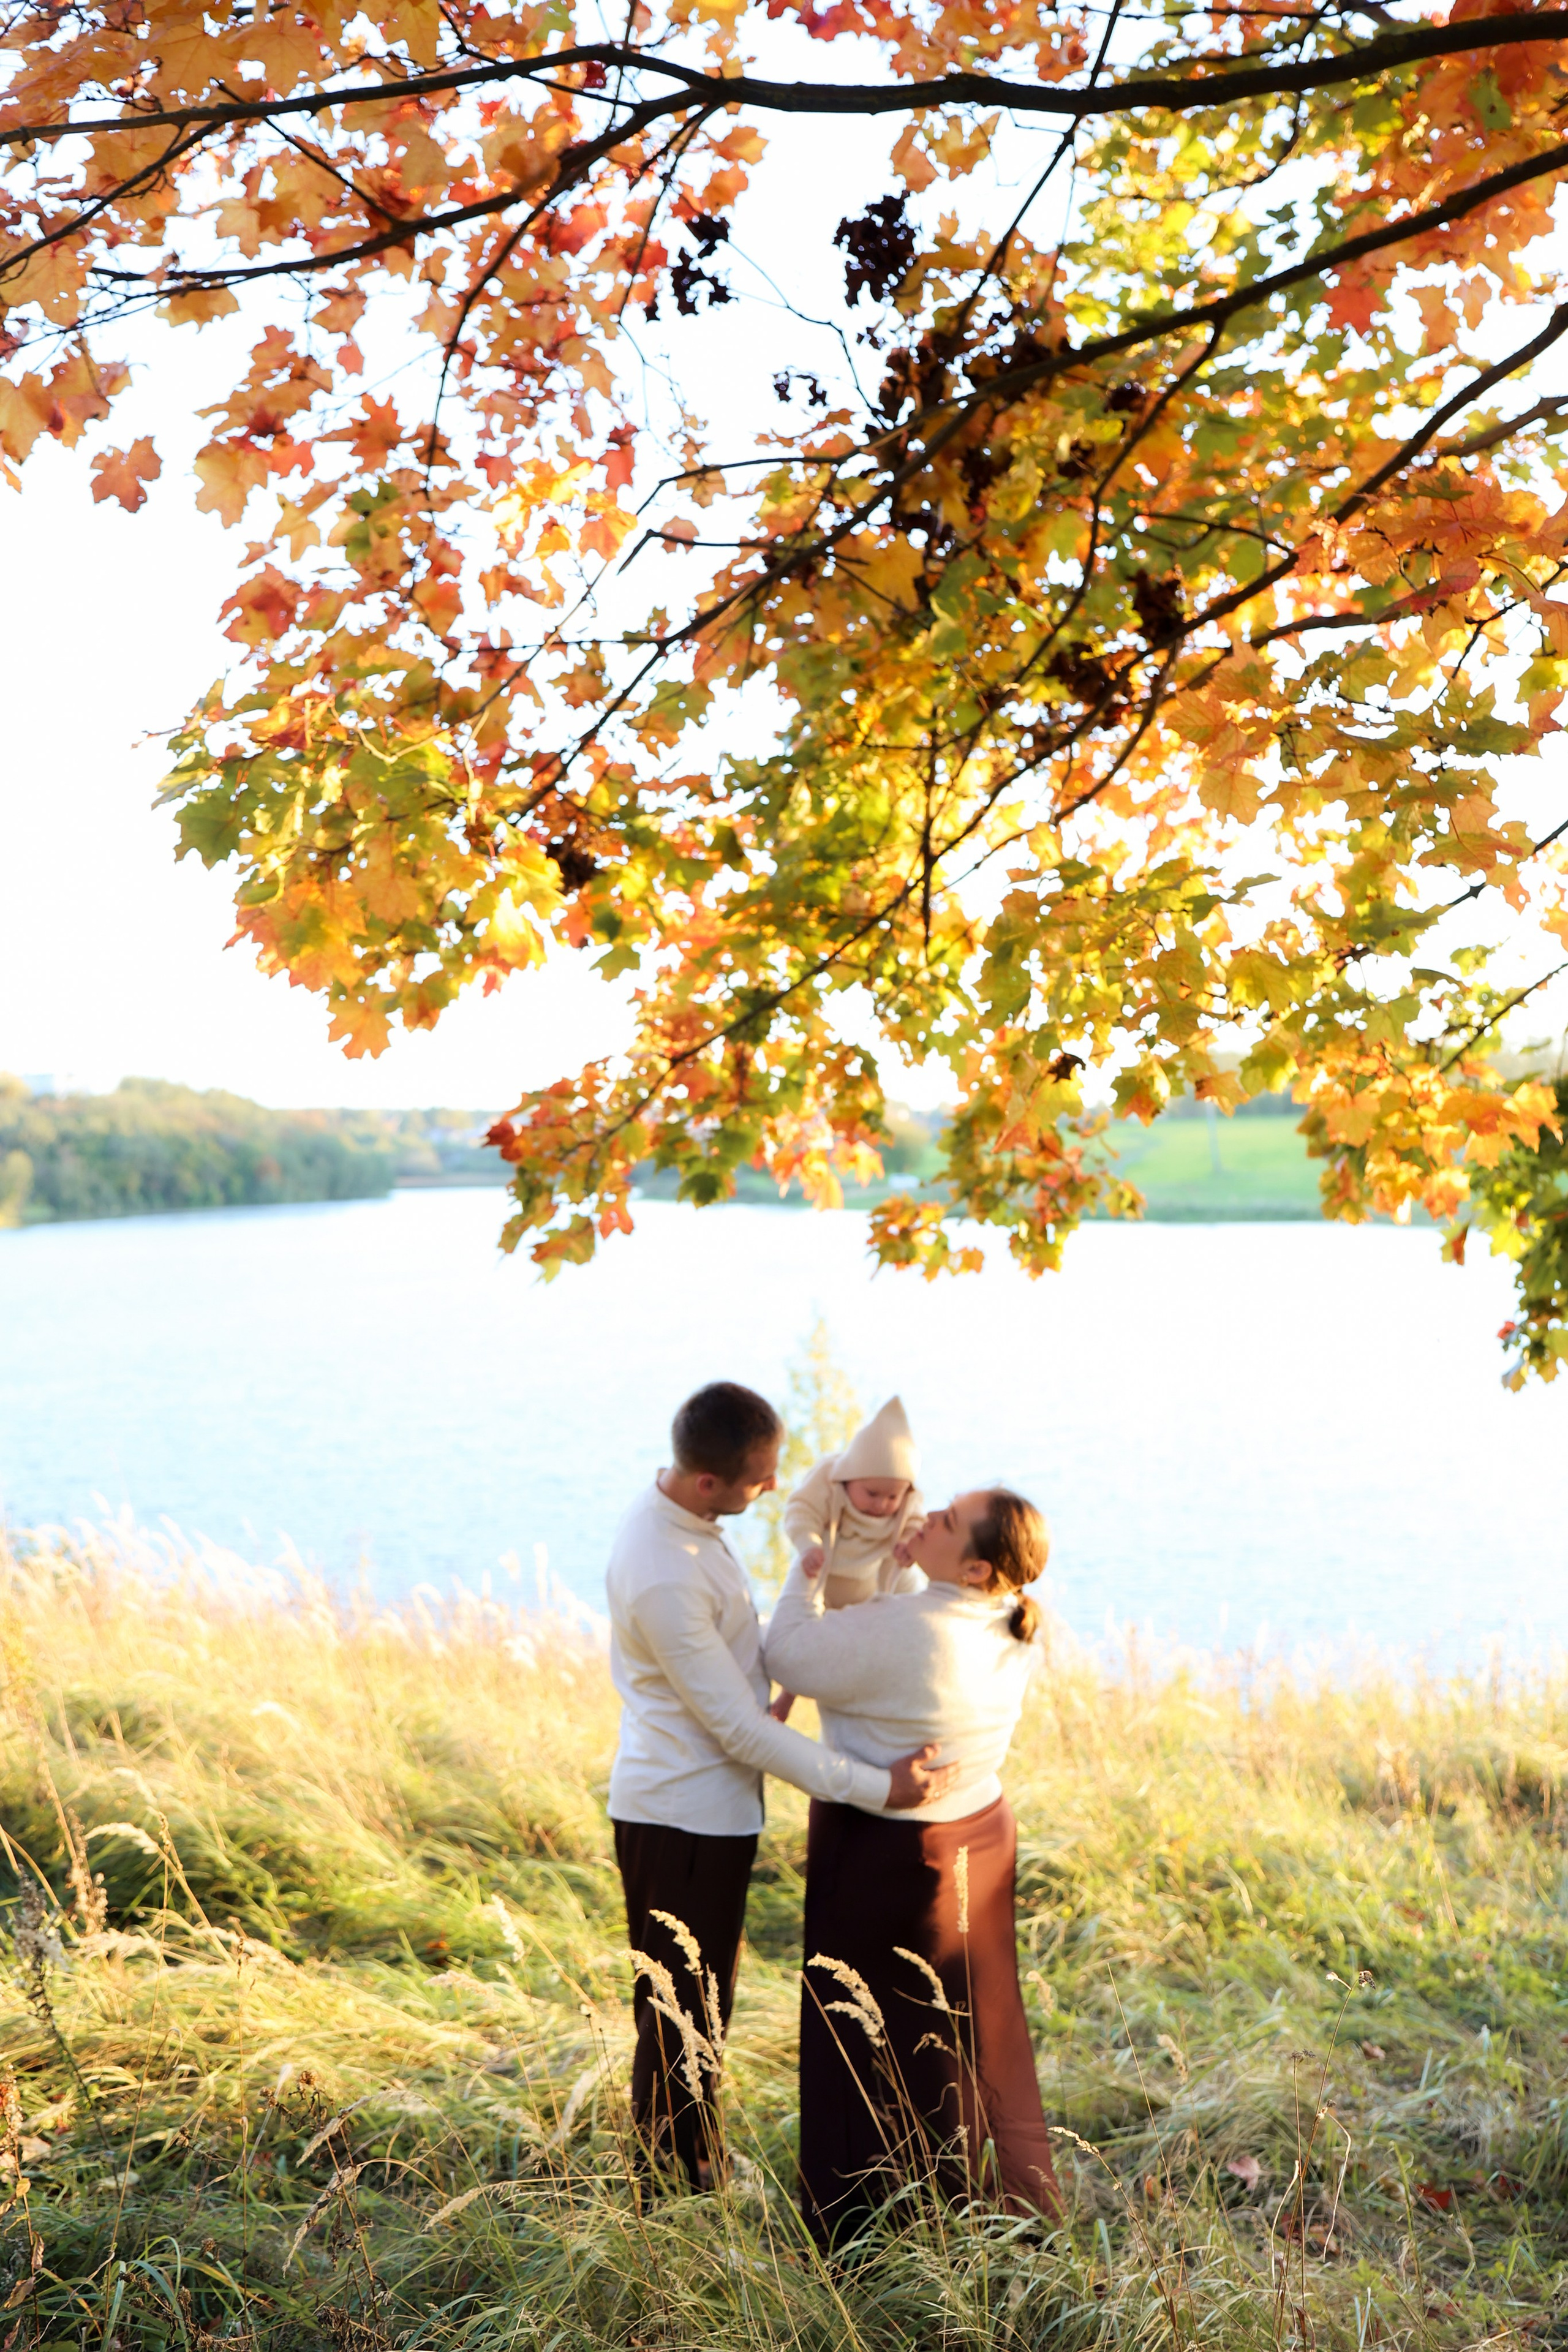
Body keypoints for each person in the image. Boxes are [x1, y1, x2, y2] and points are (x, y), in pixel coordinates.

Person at [605, 1380, 958, 2192]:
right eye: (760, 1478)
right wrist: (877, 1787)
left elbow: (729, 1659)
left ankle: (694, 2164)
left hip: (707, 1809)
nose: (773, 1488)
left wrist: (807, 1652)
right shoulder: (664, 1570)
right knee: (680, 2014)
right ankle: (673, 2187)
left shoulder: (687, 1523)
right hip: (684, 1817)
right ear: (708, 1483)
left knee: (701, 2004)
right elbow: (738, 1730)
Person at [761, 1487, 1062, 2245]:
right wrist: (902, 1572)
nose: (924, 1517)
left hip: (889, 1848)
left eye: (946, 1522)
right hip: (981, 1834)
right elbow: (893, 1656)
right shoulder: (1014, 1618)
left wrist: (809, 1570)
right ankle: (999, 2205)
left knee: (866, 2031)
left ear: (975, 1568)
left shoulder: (916, 1631)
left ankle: (867, 2224)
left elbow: (787, 1652)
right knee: (974, 2026)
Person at [771, 1394, 925, 1724]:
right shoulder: (828, 1479)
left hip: (871, 1583)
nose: (882, 1504)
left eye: (892, 1497)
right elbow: (801, 1512)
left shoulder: (908, 1503)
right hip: (824, 1574)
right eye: (872, 1494)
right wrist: (809, 1545)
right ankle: (787, 1695)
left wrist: (909, 1545)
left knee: (869, 1642)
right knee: (806, 1640)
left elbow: (916, 1523)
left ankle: (867, 1704)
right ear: (849, 1478)